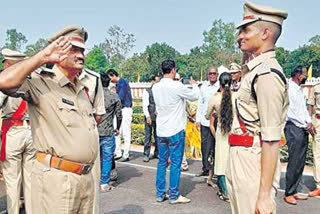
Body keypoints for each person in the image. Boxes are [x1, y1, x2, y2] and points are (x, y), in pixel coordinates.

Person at [0, 25, 99, 213]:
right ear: (57, 51)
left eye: (82, 50)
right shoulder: (41, 82)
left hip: (85, 179)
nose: (81, 55)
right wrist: (42, 57)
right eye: (74, 49)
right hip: (58, 181)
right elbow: (3, 82)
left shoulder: (81, 89)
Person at [226, 2, 288, 214]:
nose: (239, 36)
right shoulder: (253, 72)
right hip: (240, 156)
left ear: (265, 33)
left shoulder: (267, 75)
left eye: (246, 29)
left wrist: (264, 196)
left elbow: (271, 139)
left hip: (254, 160)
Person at [152, 60, 199, 204]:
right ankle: (174, 195)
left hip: (161, 130)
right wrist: (194, 84)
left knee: (161, 162)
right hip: (175, 130)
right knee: (175, 164)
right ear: (173, 70)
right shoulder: (177, 86)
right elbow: (194, 96)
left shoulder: (156, 87)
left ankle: (160, 194)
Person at [0, 48, 36, 214]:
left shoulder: (6, 81)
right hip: (31, 132)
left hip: (13, 132)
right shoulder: (32, 81)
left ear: (8, 64)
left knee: (12, 179)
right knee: (29, 179)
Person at [283, 66, 313, 204]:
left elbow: (303, 109)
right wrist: (304, 123)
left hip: (302, 128)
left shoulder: (299, 90)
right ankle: (288, 192)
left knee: (300, 161)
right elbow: (292, 112)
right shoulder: (289, 89)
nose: (305, 77)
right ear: (297, 75)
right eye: (304, 74)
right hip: (293, 128)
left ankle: (294, 191)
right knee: (294, 161)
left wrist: (309, 122)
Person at [79, 68, 106, 214]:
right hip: (60, 139)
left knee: (93, 183)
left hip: (89, 134)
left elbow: (99, 115)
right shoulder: (46, 76)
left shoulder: (93, 79)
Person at [206, 72, 233, 202]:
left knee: (221, 164)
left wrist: (216, 113)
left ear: (219, 83)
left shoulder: (215, 98)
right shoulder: (236, 97)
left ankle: (225, 193)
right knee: (233, 163)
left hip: (221, 133)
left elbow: (207, 115)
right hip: (234, 133)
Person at [98, 72, 122, 192]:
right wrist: (118, 127)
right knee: (107, 158)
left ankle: (94, 180)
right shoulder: (114, 96)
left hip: (93, 131)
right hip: (108, 131)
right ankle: (104, 183)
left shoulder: (92, 96)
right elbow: (119, 115)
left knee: (94, 158)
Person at [195, 67, 220, 177]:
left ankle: (215, 171)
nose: (212, 75)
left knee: (216, 147)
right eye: (210, 73)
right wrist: (197, 120)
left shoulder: (220, 86)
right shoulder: (204, 87)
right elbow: (200, 103)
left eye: (214, 73)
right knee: (205, 147)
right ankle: (205, 168)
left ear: (217, 74)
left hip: (217, 123)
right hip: (205, 122)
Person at [107, 69, 133, 162]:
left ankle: (126, 154)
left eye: (110, 78)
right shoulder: (118, 84)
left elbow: (120, 98)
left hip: (125, 109)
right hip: (119, 110)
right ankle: (118, 152)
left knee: (126, 132)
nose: (110, 80)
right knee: (117, 131)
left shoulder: (123, 83)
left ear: (113, 75)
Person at [307, 75, 320, 197]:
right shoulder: (316, 88)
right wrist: (310, 121)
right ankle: (319, 185)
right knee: (317, 154)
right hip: (318, 122)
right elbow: (310, 105)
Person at [142, 75, 160, 162]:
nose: (158, 83)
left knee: (158, 136)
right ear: (152, 81)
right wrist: (147, 116)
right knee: (148, 136)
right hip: (150, 116)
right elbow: (145, 105)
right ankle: (146, 154)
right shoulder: (147, 92)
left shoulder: (160, 92)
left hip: (158, 117)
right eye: (156, 81)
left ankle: (157, 152)